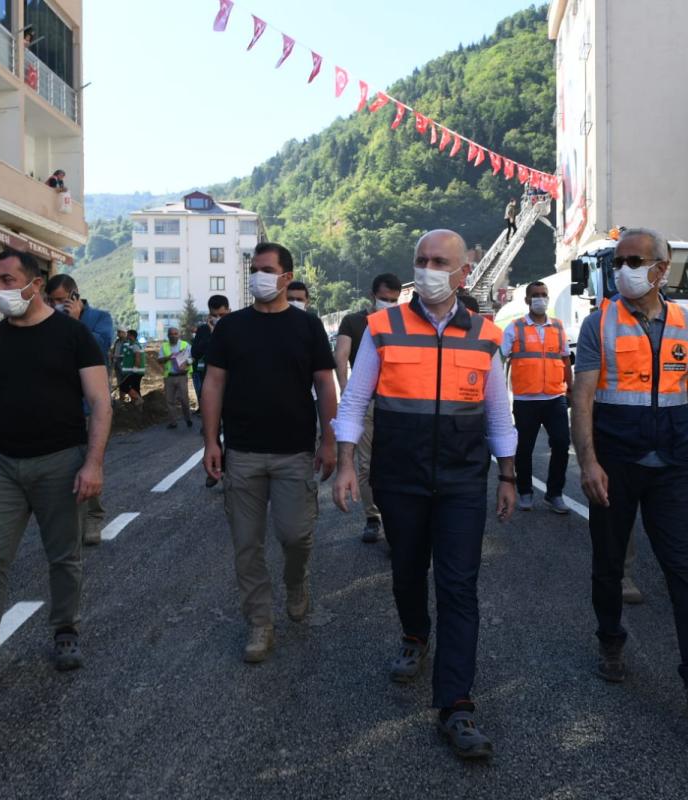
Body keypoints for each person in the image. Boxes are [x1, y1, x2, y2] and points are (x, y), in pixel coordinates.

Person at [333, 229, 516, 761]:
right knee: (408, 571)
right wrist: (346, 464)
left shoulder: (485, 334)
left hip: (462, 480)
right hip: (399, 478)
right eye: (422, 259)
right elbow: (355, 399)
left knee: (459, 587)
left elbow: (498, 411)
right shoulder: (383, 327)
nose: (428, 269)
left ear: (463, 273)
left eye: (440, 262)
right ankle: (415, 635)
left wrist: (508, 475)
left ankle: (456, 705)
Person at [570, 227, 688, 724]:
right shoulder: (600, 323)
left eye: (634, 261)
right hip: (616, 465)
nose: (623, 270)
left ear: (662, 269)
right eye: (618, 261)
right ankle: (611, 641)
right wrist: (588, 462)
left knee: (685, 571)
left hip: (674, 467)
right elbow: (583, 396)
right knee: (608, 564)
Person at [0, 249, 110, 702]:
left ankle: (65, 630)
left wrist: (93, 463)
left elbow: (100, 402)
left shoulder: (74, 336)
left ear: (34, 284)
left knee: (64, 556)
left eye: (7, 279)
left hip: (60, 462)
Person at [202, 242, 338, 664]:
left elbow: (324, 384)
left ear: (286, 277)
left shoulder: (307, 326)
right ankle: (260, 622)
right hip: (242, 453)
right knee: (247, 545)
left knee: (296, 535)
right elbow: (213, 384)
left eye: (266, 270)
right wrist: (211, 441)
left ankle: (296, 580)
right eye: (254, 269)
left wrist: (329, 440)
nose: (257, 277)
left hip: (294, 452)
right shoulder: (231, 328)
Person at [334, 273, 402, 544]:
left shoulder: (402, 323)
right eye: (384, 299)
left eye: (394, 300)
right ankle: (373, 518)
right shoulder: (353, 322)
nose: (389, 304)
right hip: (368, 404)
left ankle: (396, 522)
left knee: (397, 463)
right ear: (372, 296)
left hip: (397, 405)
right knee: (366, 465)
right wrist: (347, 392)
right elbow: (340, 356)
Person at [46, 274, 114, 546]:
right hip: (59, 402)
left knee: (88, 460)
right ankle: (67, 520)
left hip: (89, 405)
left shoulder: (100, 318)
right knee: (60, 464)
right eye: (51, 301)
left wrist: (74, 322)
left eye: (61, 300)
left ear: (75, 296)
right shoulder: (48, 321)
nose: (55, 305)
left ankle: (93, 517)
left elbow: (100, 346)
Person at [502, 281, 572, 514]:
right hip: (526, 401)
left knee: (561, 444)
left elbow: (565, 360)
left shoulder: (558, 327)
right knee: (524, 448)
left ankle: (554, 494)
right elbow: (500, 357)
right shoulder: (515, 328)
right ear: (527, 300)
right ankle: (525, 492)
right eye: (535, 295)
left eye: (544, 294)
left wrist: (570, 389)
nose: (540, 298)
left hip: (554, 397)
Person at [192, 295, 231, 412]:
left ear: (229, 311)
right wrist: (212, 334)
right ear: (209, 315)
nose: (218, 318)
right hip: (209, 378)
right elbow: (195, 353)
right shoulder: (203, 330)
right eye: (215, 315)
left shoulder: (235, 328)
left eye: (222, 315)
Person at [158, 326, 194, 430]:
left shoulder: (185, 345)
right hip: (169, 377)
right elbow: (159, 360)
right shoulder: (164, 346)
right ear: (168, 335)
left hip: (182, 376)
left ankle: (188, 419)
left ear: (179, 335)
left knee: (184, 400)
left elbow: (192, 358)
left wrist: (187, 363)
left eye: (175, 334)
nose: (173, 336)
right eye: (171, 334)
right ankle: (173, 422)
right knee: (169, 401)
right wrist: (169, 357)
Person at [118, 329, 145, 408]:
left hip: (135, 372)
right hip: (133, 371)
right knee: (135, 388)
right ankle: (138, 406)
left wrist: (135, 368)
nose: (126, 336)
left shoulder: (135, 345)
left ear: (131, 336)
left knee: (124, 386)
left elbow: (138, 358)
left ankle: (138, 400)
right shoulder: (132, 344)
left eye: (128, 335)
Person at [110, 328, 127, 399]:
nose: (117, 334)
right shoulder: (117, 341)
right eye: (118, 332)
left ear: (124, 333)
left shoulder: (126, 342)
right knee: (119, 381)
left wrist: (116, 356)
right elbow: (114, 350)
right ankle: (121, 397)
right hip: (116, 363)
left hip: (123, 364)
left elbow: (127, 354)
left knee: (124, 381)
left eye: (119, 332)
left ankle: (125, 396)